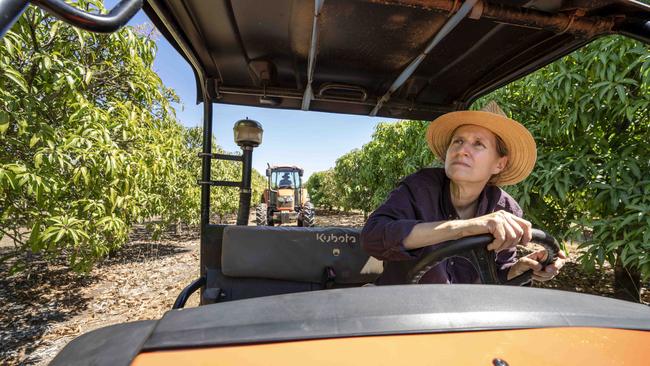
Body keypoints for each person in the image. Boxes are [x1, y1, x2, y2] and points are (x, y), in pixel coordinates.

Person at [361, 101, 566, 285]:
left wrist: (519, 269)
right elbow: (373, 236)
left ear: (499, 164)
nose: (462, 150)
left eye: (478, 144)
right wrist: (467, 227)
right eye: (457, 141)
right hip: (402, 309)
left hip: (461, 316)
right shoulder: (420, 188)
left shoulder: (506, 208)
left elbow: (496, 276)